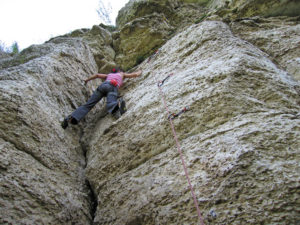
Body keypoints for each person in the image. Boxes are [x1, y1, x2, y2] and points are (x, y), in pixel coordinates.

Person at [61, 68, 142, 129]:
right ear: (120, 71)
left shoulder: (109, 75)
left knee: (88, 105)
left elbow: (97, 75)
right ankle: (117, 104)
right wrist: (140, 71)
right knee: (110, 103)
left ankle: (71, 118)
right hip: (112, 86)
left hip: (103, 86)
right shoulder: (122, 74)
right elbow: (134, 75)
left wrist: (86, 80)